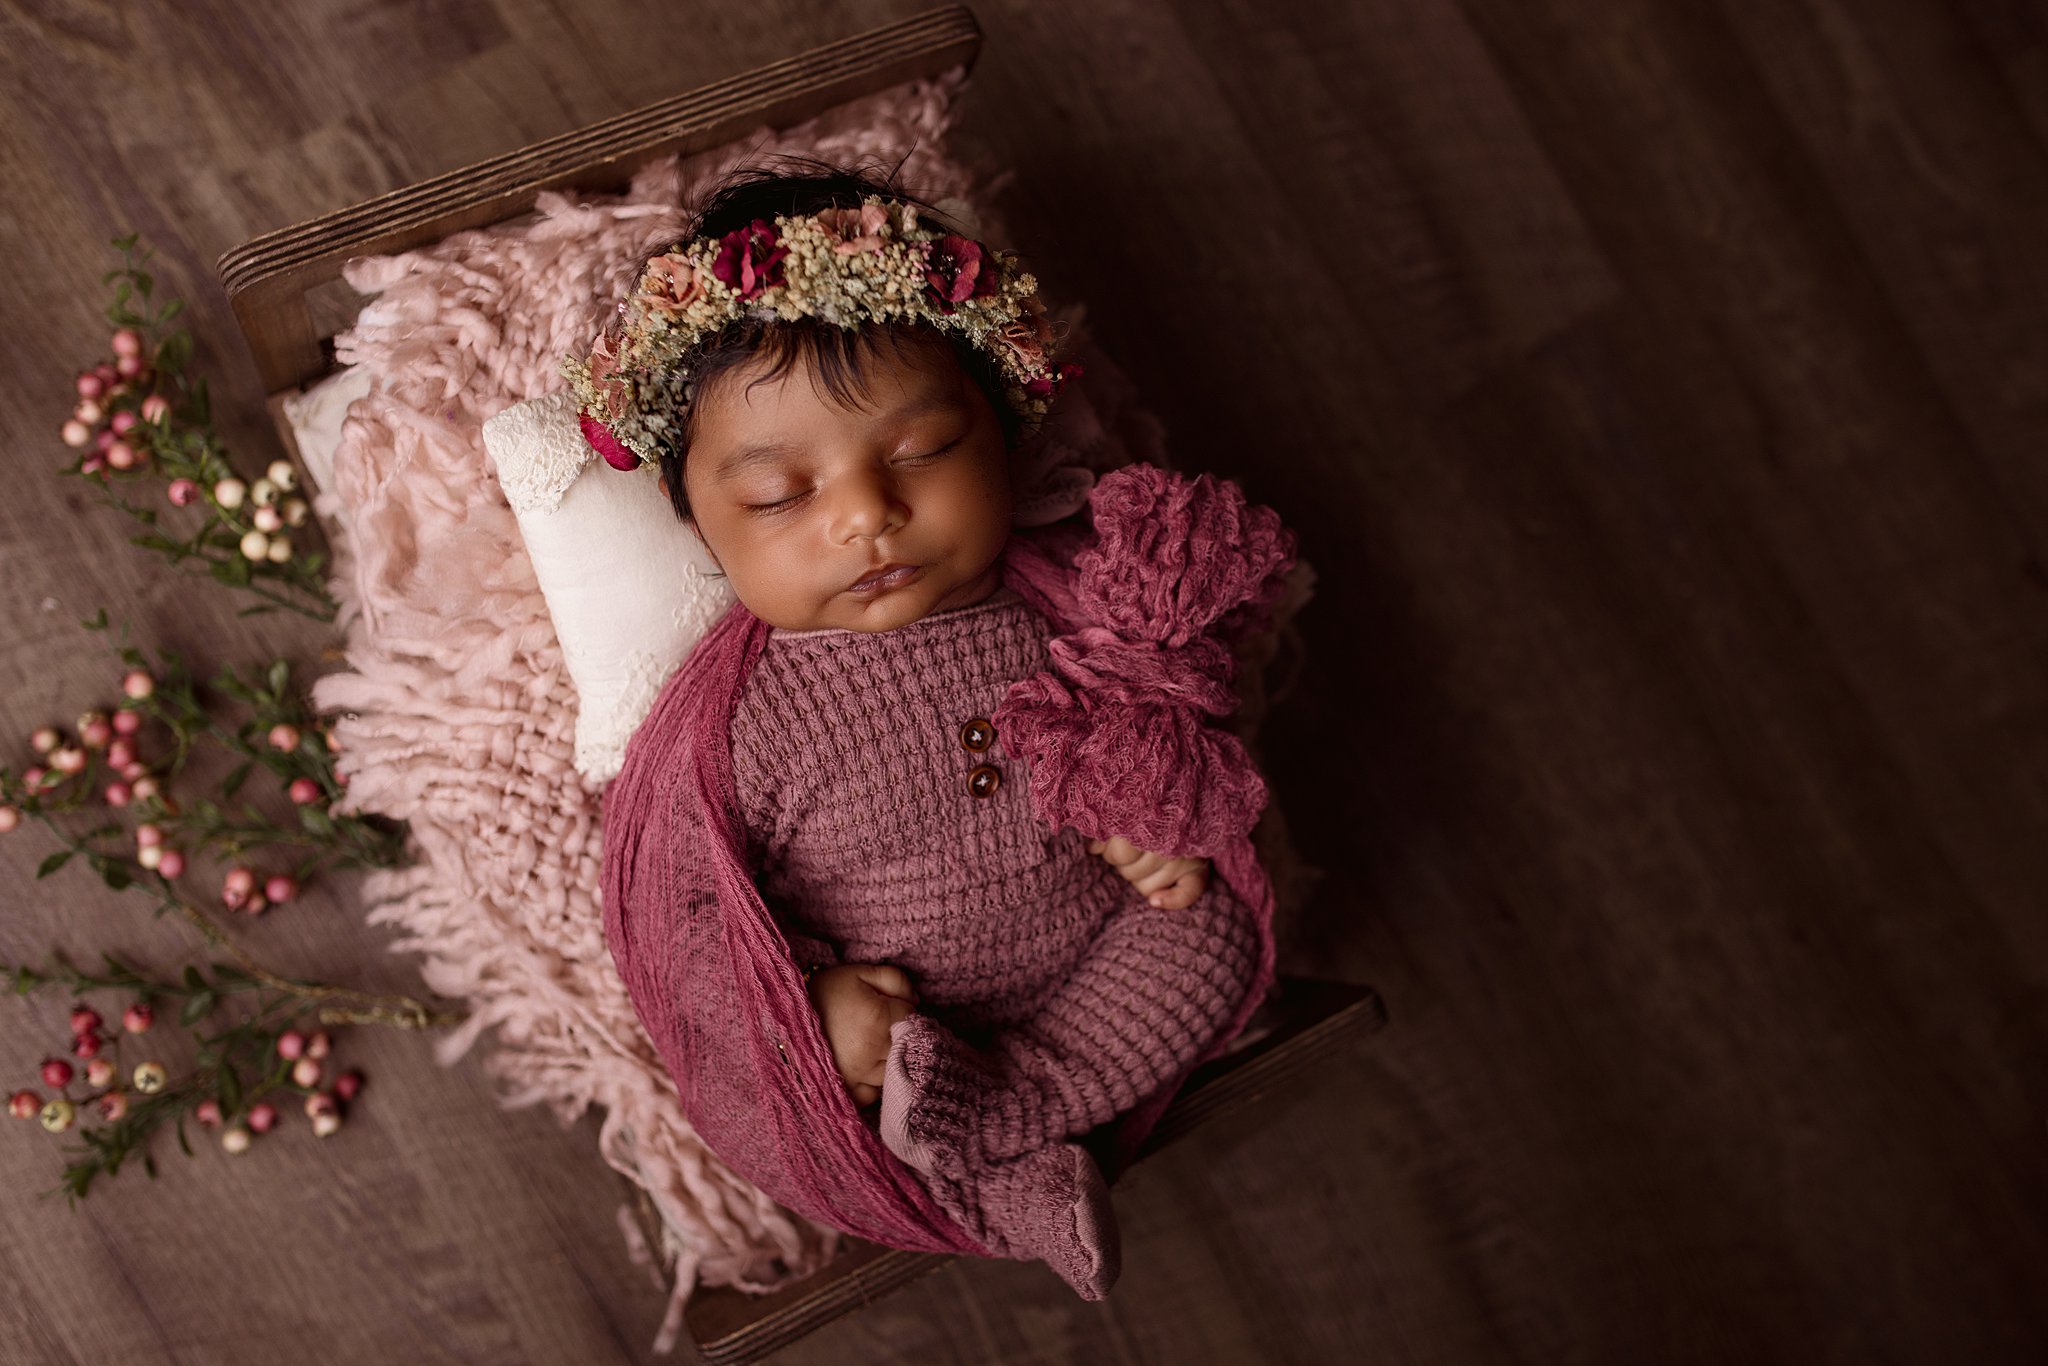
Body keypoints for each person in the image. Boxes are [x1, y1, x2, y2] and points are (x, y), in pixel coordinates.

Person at [582, 156, 1297, 1298]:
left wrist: (1158, 816)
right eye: (778, 497)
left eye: (920, 452)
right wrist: (808, 1000)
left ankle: (1004, 1120)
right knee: (800, 1103)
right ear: (698, 525)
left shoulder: (1064, 598)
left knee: (1215, 935)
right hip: (893, 1029)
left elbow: (1172, 704)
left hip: (1100, 961)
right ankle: (984, 1157)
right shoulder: (744, 725)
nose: (867, 513)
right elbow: (675, 916)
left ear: (1000, 432)